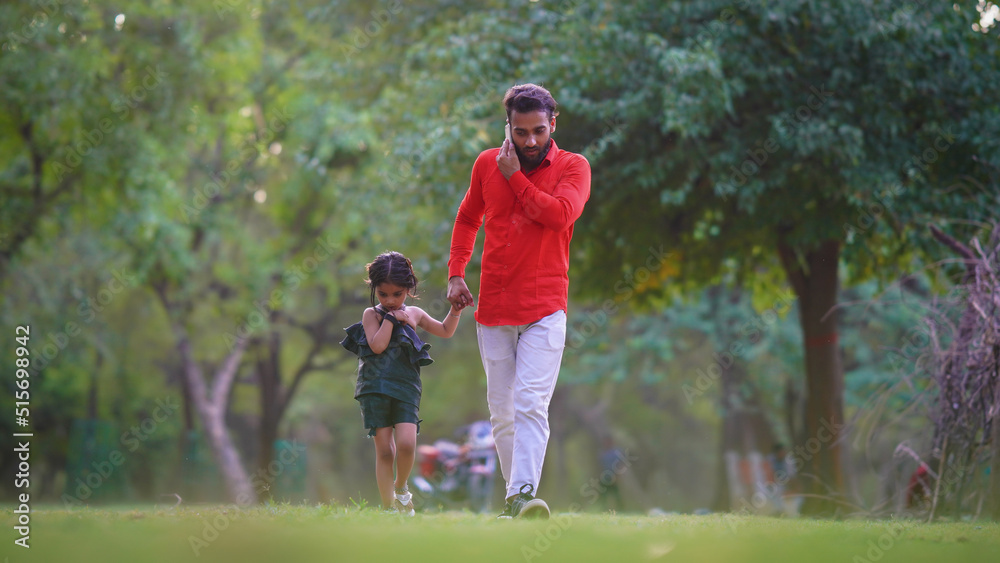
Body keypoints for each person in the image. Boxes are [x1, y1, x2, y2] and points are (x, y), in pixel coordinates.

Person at [446, 83, 592, 519]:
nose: (530, 141)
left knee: (531, 402)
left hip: (546, 309)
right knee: (502, 413)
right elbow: (468, 216)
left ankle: (521, 493)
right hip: (493, 309)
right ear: (507, 125)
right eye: (521, 131)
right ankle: (518, 502)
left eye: (539, 131)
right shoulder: (485, 163)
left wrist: (514, 176)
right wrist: (456, 273)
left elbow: (559, 215)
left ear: (553, 124)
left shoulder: (573, 166)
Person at [341, 251, 463, 515]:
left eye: (397, 294)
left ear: (408, 289)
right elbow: (377, 345)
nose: (390, 300)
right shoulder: (371, 315)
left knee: (407, 444)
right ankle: (388, 510)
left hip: (406, 386)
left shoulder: (415, 313)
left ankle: (401, 486)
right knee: (385, 450)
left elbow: (445, 330)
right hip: (375, 387)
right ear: (375, 290)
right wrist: (390, 319)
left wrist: (455, 310)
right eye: (383, 294)